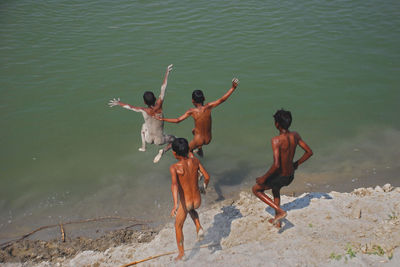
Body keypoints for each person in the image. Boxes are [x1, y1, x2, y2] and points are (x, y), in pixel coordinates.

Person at [252, 109, 313, 228]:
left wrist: (263, 178)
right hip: (290, 175)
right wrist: (296, 164)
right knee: (275, 190)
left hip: (281, 176)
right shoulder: (295, 135)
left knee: (256, 189)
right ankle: (277, 221)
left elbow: (276, 165)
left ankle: (280, 211)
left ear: (277, 124)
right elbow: (309, 152)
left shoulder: (276, 140)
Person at [108, 64, 175, 163]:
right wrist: (167, 73)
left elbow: (129, 107)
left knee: (144, 126)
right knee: (174, 139)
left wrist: (118, 103)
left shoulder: (143, 109)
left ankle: (144, 146)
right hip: (159, 140)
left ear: (144, 102)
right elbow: (163, 88)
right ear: (155, 98)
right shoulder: (159, 106)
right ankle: (163, 151)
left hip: (148, 138)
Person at [158, 78, 239, 157]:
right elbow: (222, 99)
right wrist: (233, 88)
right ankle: (199, 149)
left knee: (185, 152)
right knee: (194, 131)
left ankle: (194, 161)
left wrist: (163, 119)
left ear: (193, 101)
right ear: (204, 98)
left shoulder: (192, 111)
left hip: (198, 140)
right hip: (208, 139)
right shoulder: (209, 106)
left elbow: (177, 120)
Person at [169, 138, 210, 261]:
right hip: (197, 201)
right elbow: (207, 177)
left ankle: (181, 254)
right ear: (188, 150)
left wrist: (175, 205)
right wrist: (204, 187)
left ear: (174, 153)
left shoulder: (174, 167)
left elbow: (175, 186)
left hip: (185, 203)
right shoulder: (196, 161)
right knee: (191, 209)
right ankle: (198, 226)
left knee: (178, 226)